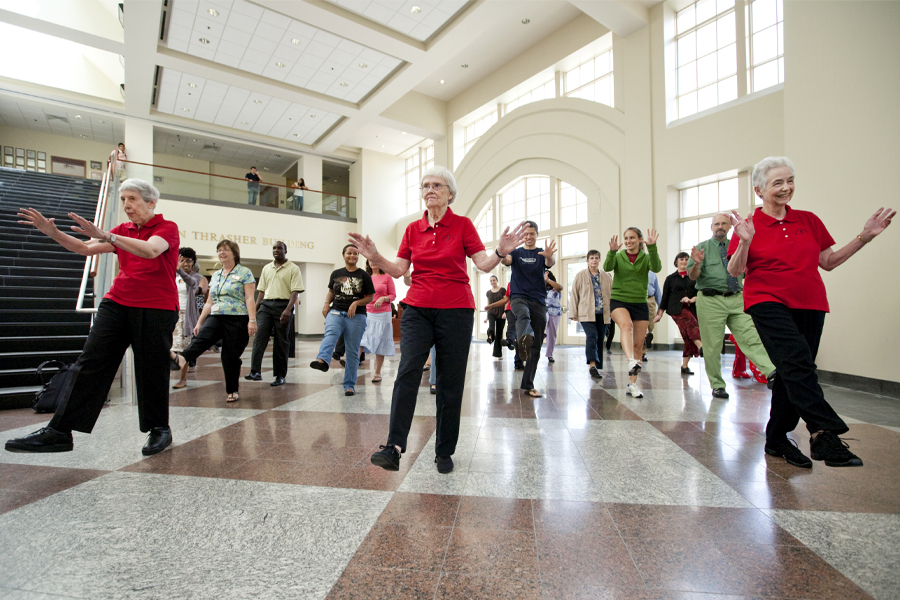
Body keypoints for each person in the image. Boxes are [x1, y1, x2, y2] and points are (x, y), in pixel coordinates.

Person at [350, 166, 526, 474]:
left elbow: (483, 264)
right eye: (425, 186)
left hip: (456, 310)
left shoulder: (462, 225)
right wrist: (375, 256)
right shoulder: (412, 230)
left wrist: (500, 251)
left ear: (450, 193)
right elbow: (399, 269)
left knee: (450, 382)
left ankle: (444, 450)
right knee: (407, 372)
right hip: (417, 308)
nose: (429, 190)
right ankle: (394, 446)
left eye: (437, 185)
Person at [728, 156, 894, 468]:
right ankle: (822, 432)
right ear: (759, 189)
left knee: (793, 369)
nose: (786, 187)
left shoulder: (809, 220)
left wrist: (864, 237)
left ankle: (777, 439)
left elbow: (828, 262)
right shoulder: (747, 226)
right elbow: (736, 270)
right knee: (796, 362)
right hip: (766, 300)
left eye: (790, 180)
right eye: (778, 182)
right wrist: (745, 243)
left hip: (811, 302)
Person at [7, 179, 180, 456]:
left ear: (151, 202)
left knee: (151, 368)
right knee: (90, 362)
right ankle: (59, 431)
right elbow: (85, 248)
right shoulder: (122, 230)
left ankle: (159, 428)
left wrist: (108, 236)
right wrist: (52, 232)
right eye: (123, 199)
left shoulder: (166, 228)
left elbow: (150, 251)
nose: (126, 205)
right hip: (117, 302)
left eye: (132, 199)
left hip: (156, 306)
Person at [687, 212, 776, 399]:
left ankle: (772, 372)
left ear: (729, 227)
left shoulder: (739, 245)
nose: (720, 226)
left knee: (751, 335)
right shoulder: (701, 248)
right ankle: (717, 384)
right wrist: (696, 264)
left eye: (724, 224)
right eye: (716, 224)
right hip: (710, 300)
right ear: (711, 227)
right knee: (712, 345)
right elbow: (692, 277)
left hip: (736, 297)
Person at [179, 240, 257, 402]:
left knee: (230, 357)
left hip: (238, 318)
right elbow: (209, 301)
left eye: (225, 250)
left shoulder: (244, 272)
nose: (221, 252)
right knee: (202, 338)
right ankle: (183, 358)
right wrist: (199, 322)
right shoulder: (216, 275)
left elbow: (249, 298)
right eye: (219, 250)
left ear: (234, 253)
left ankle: (232, 390)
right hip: (216, 316)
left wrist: (252, 320)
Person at [501, 220, 557, 398]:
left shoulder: (542, 254)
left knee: (537, 345)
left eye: (532, 233)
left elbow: (551, 262)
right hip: (518, 297)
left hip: (539, 300)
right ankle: (523, 340)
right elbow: (505, 260)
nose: (528, 236)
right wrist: (502, 250)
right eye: (525, 234)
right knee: (522, 315)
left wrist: (548, 255)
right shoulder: (516, 253)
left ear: (537, 234)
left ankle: (528, 384)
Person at [309, 244, 375, 396]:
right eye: (349, 253)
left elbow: (370, 297)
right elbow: (331, 291)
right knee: (330, 334)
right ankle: (322, 360)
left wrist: (356, 303)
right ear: (343, 255)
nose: (352, 255)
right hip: (337, 311)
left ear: (358, 257)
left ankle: (349, 385)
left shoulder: (364, 275)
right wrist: (326, 304)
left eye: (355, 253)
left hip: (356, 316)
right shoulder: (336, 273)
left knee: (352, 351)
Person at [604, 227, 661, 398]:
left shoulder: (645, 258)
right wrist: (612, 252)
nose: (628, 241)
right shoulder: (619, 256)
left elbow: (657, 268)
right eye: (626, 238)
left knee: (638, 345)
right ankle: (631, 361)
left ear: (640, 240)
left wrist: (652, 247)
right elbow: (607, 266)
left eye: (632, 238)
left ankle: (632, 385)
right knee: (626, 326)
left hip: (640, 302)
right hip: (619, 300)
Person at [245, 241, 304, 387]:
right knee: (260, 337)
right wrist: (255, 309)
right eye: (274, 248)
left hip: (283, 305)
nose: (276, 250)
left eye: (279, 248)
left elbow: (295, 291)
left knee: (281, 341)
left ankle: (280, 375)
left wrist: (288, 309)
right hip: (266, 305)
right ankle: (255, 371)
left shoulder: (293, 268)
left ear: (285, 251)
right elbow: (261, 291)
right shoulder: (267, 268)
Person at [655, 252, 703, 376]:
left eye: (687, 259)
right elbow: (664, 297)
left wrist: (692, 299)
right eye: (681, 259)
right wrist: (660, 314)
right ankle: (701, 346)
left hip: (692, 308)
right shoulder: (671, 278)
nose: (684, 261)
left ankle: (684, 366)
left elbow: (699, 293)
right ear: (676, 261)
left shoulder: (693, 277)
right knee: (690, 322)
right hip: (676, 309)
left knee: (687, 336)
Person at [569, 249, 612, 379]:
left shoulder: (606, 276)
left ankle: (597, 367)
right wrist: (573, 313)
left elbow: (612, 295)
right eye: (592, 258)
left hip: (602, 313)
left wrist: (613, 312)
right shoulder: (580, 275)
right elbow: (574, 294)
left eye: (596, 258)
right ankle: (592, 366)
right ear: (587, 260)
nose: (594, 260)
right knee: (592, 336)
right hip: (586, 313)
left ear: (599, 260)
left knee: (600, 338)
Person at [359, 260, 397, 383]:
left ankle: (377, 373)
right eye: (370, 261)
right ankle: (351, 371)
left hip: (383, 314)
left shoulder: (387, 277)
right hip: (367, 313)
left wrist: (383, 298)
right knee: (361, 341)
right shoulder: (366, 277)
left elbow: (393, 295)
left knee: (381, 342)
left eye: (374, 260)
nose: (373, 263)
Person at [172, 247, 203, 389]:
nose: (185, 263)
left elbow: (193, 285)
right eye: (182, 260)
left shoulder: (197, 277)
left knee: (184, 349)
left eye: (188, 261)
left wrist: (179, 270)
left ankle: (183, 379)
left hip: (187, 316)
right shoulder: (173, 275)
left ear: (193, 262)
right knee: (171, 346)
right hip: (173, 313)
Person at [483, 275, 507, 359]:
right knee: (491, 326)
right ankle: (490, 336)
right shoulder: (488, 293)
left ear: (497, 280)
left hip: (501, 313)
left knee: (499, 333)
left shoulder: (502, 290)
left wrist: (505, 312)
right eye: (491, 281)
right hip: (492, 312)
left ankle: (498, 354)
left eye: (494, 280)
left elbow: (505, 301)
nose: (492, 282)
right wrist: (486, 317)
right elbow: (488, 305)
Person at [642, 271, 662, 362]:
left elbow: (657, 291)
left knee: (650, 326)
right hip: (638, 299)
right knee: (641, 326)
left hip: (650, 299)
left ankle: (647, 338)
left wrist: (660, 307)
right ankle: (642, 353)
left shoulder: (652, 274)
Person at [543, 271, 563, 363]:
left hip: (555, 313)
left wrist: (548, 280)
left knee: (551, 335)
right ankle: (542, 332)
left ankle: (549, 354)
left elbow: (560, 287)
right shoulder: (540, 288)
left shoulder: (556, 288)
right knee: (544, 318)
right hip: (544, 311)